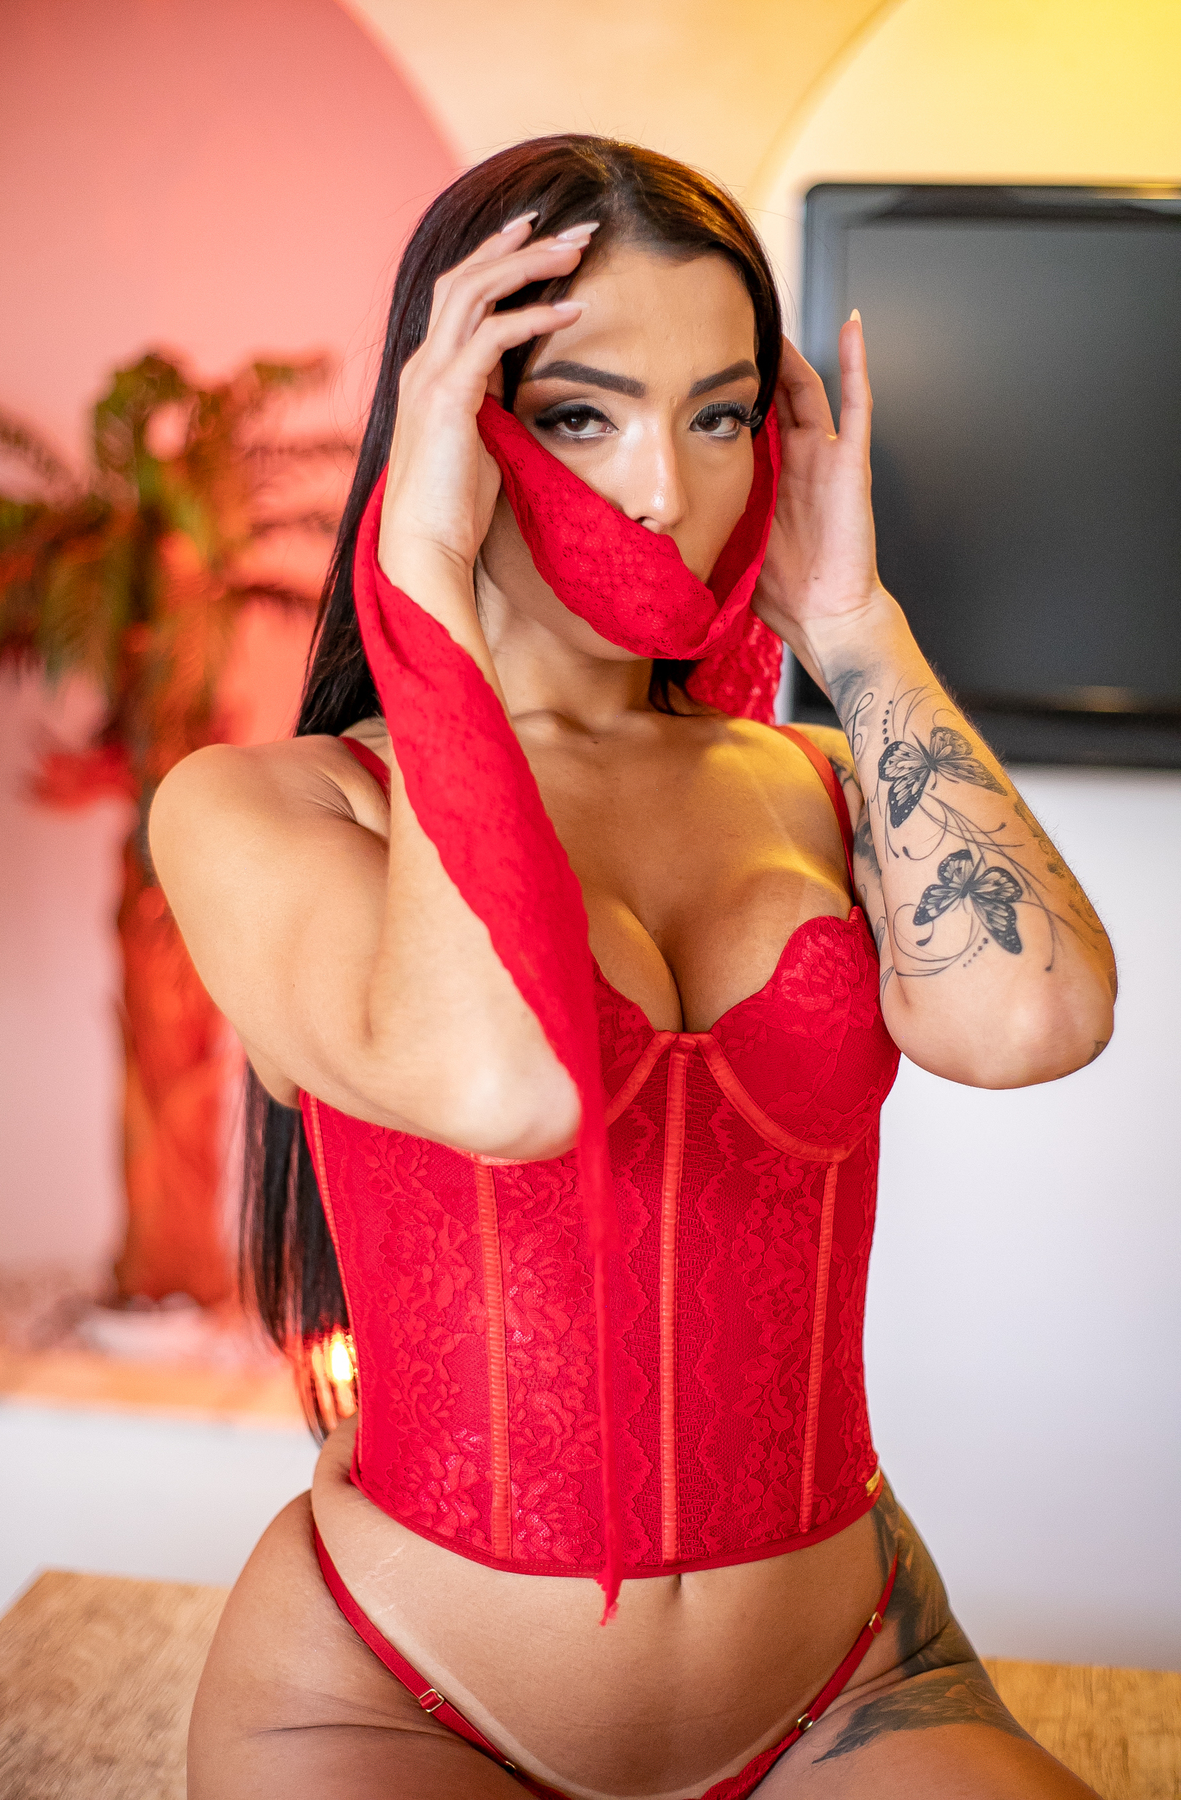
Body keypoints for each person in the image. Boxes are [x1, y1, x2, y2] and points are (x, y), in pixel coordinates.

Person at [153, 137, 1116, 1800]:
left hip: (846, 1683)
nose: (666, 489)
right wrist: (421, 582)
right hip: (392, 1699)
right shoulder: (273, 808)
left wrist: (856, 630)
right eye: (582, 415)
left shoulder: (819, 784)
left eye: (720, 415)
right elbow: (502, 1085)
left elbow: (1033, 1018)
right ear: (455, 424)